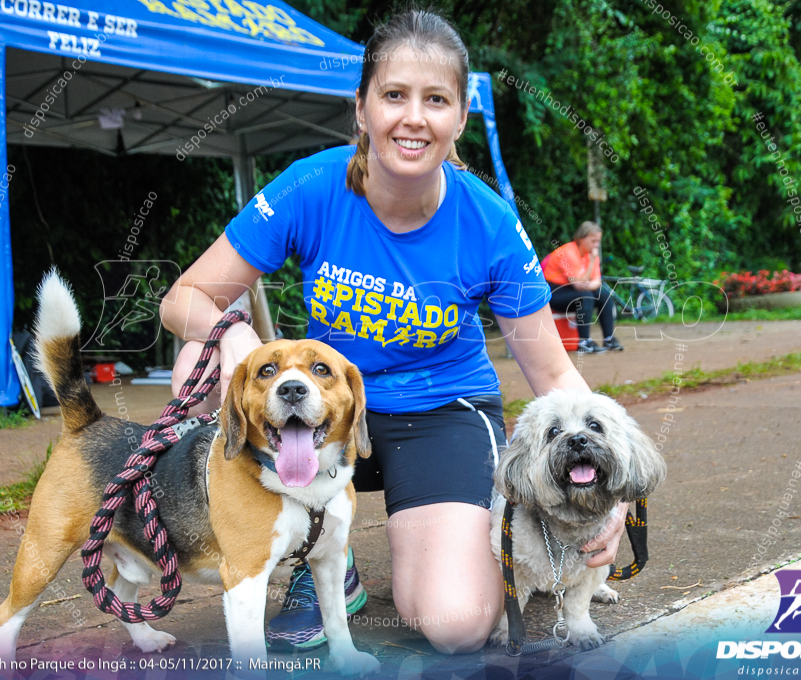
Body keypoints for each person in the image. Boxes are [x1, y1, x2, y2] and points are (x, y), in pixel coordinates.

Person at [159, 9, 627, 655]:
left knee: (459, 624)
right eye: (394, 95)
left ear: (461, 116)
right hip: (328, 406)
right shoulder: (312, 186)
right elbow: (182, 299)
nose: (414, 118)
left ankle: (353, 546)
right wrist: (234, 332)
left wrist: (613, 487)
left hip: (440, 412)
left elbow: (552, 374)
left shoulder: (488, 223)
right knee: (198, 361)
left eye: (436, 99)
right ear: (361, 107)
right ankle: (312, 549)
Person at [541, 222, 623, 353]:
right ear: (580, 239)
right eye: (593, 241)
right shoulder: (567, 252)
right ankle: (584, 342)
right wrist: (590, 265)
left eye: (598, 241)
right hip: (553, 293)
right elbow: (578, 284)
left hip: (573, 290)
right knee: (586, 296)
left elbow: (597, 282)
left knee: (604, 296)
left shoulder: (591, 254)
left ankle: (609, 339)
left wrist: (586, 283)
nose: (596, 245)